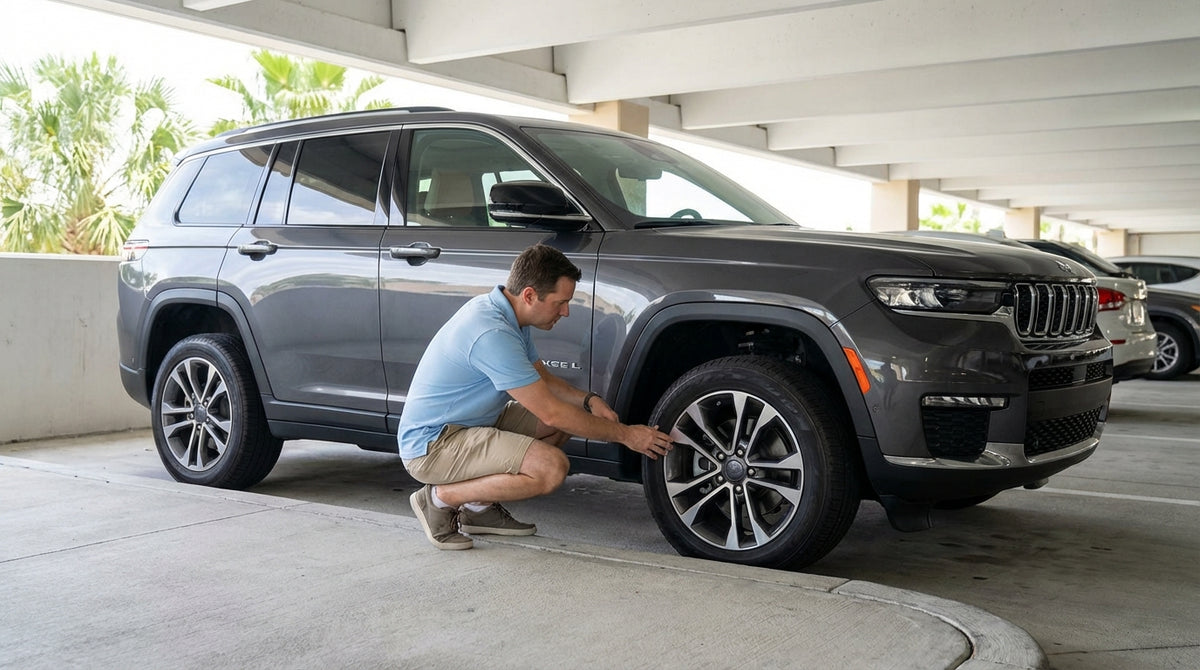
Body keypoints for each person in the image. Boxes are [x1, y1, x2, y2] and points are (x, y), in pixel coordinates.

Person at [398, 244, 673, 550]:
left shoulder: (509, 314)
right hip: (435, 445)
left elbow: (542, 380)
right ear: (529, 295)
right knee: (550, 468)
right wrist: (627, 436)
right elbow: (551, 412)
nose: (566, 311)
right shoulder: (491, 333)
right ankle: (438, 498)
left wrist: (588, 400)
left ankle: (477, 508)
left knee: (572, 417)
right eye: (561, 302)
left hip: (471, 424)